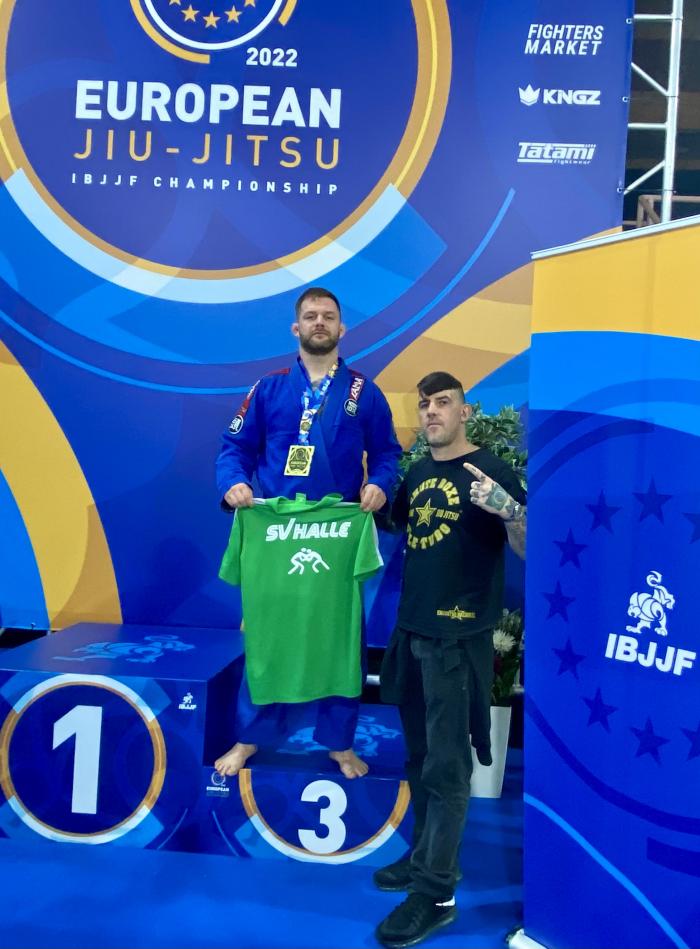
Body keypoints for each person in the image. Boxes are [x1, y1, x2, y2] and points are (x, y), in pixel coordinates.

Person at [214, 287, 401, 780]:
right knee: (268, 635)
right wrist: (233, 482)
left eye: (329, 316)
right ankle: (250, 736)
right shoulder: (268, 388)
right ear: (296, 328)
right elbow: (234, 448)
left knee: (340, 638)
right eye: (311, 316)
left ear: (342, 328)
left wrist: (380, 485)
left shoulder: (364, 392)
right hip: (277, 532)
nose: (320, 322)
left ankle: (339, 742)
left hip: (336, 532)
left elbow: (387, 453)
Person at [374, 371, 526, 949]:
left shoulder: (492, 470)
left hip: (458, 641)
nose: (432, 411)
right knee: (419, 758)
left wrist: (509, 510)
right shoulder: (418, 472)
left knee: (447, 768)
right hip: (412, 631)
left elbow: (529, 547)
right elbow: (396, 524)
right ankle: (424, 857)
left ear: (465, 411)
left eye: (444, 402)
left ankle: (436, 893)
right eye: (425, 404)